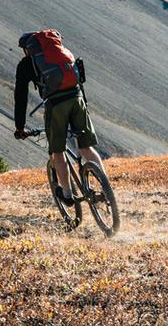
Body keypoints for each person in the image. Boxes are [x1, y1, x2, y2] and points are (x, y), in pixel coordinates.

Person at [13, 30, 105, 201]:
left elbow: (20, 96)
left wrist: (20, 127)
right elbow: (80, 79)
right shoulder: (63, 54)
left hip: (56, 105)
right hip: (77, 99)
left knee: (58, 152)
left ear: (28, 49)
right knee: (86, 148)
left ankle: (68, 194)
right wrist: (83, 104)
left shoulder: (27, 64)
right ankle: (106, 187)